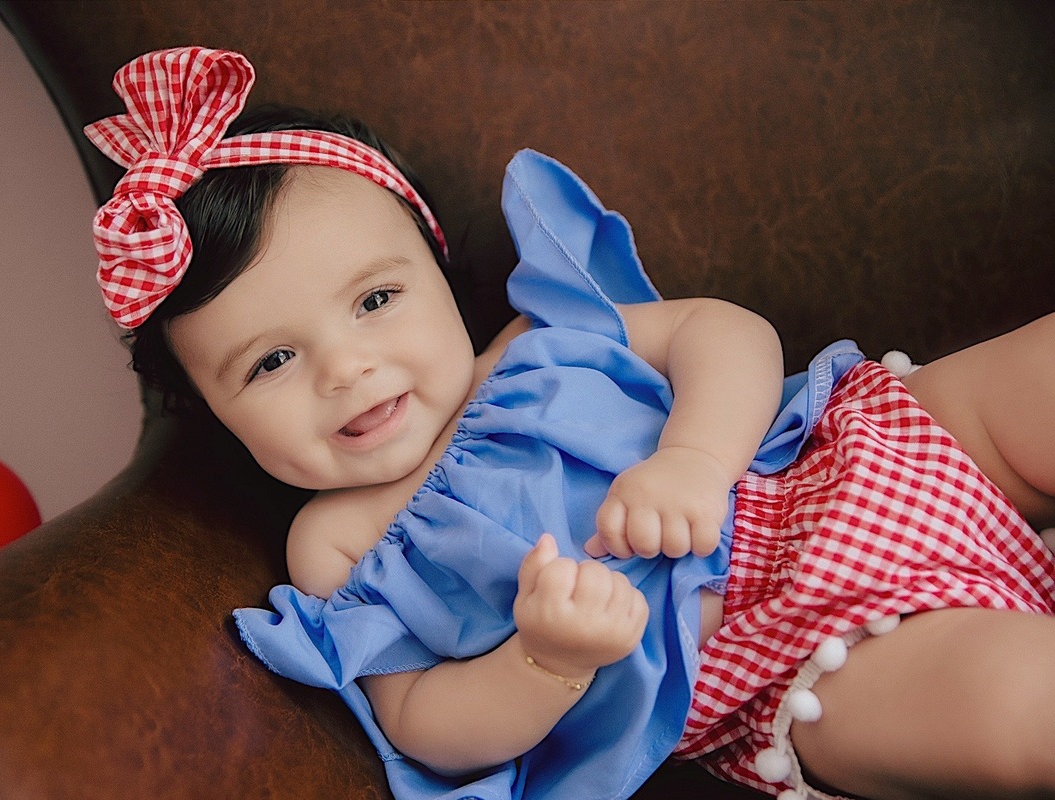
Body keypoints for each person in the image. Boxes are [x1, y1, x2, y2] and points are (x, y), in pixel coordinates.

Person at [86, 47, 1055, 800]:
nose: (347, 368)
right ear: (213, 413)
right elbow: (421, 718)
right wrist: (545, 660)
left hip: (845, 460)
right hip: (781, 656)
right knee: (1012, 709)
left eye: (376, 300)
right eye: (271, 361)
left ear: (435, 268)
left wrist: (692, 458)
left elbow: (724, 331)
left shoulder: (540, 341)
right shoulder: (338, 541)